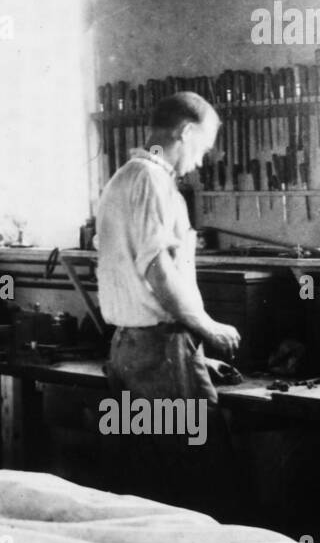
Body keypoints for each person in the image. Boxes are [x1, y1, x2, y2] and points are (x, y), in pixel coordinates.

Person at [95, 91, 241, 508]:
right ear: (186, 132)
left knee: (149, 482)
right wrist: (205, 328)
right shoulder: (150, 180)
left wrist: (191, 351)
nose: (201, 160)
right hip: (158, 353)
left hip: (134, 348)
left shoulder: (125, 177)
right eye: (204, 147)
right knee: (198, 482)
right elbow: (158, 272)